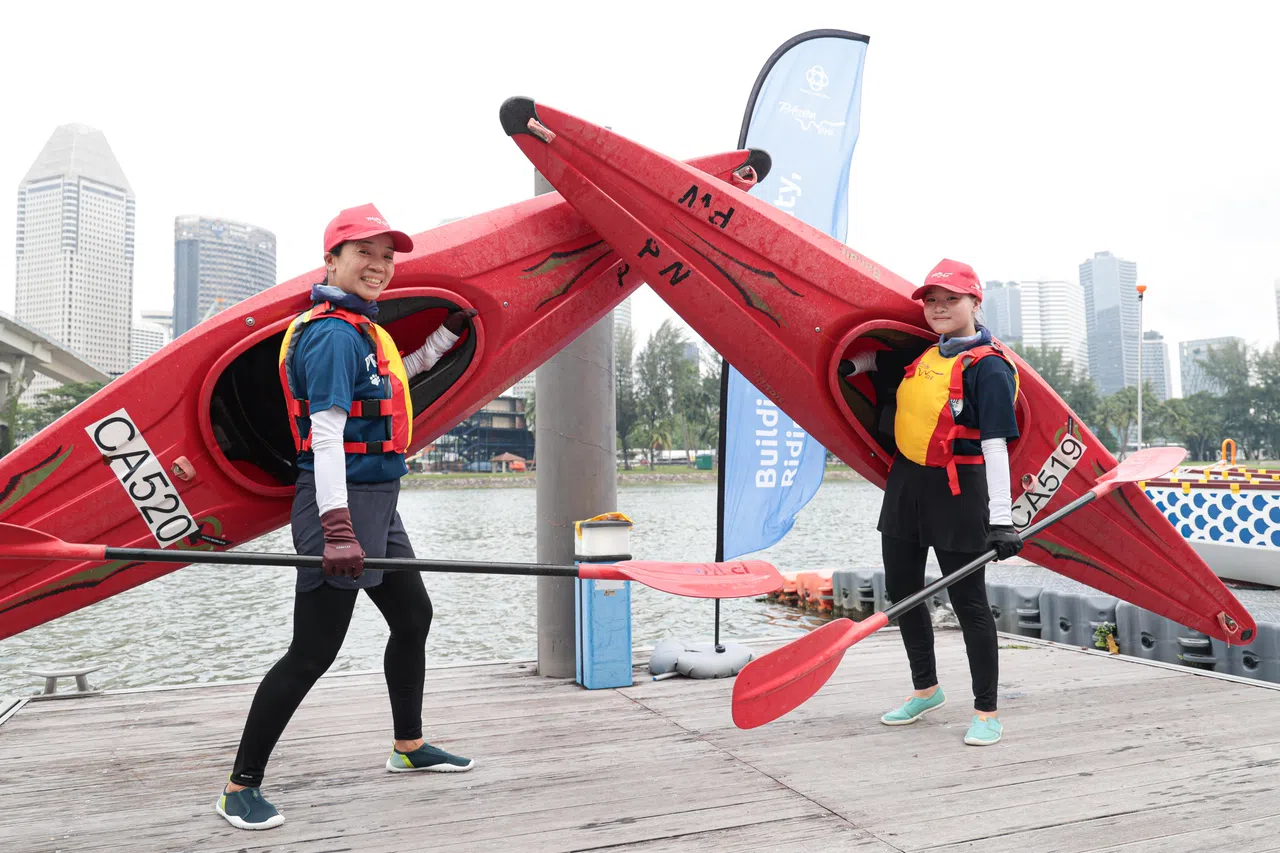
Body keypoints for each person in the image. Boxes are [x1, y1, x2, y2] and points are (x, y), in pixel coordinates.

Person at [216, 204, 479, 830]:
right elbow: (328, 435)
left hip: (376, 502)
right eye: (365, 252)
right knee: (312, 651)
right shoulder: (333, 332)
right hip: (340, 504)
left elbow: (391, 384)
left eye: (388, 256)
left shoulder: (360, 330)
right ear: (331, 260)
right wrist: (336, 529)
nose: (380, 265)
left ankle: (408, 748)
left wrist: (443, 341)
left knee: (412, 615)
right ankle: (238, 786)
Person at [840, 258, 1023, 747]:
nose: (940, 308)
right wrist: (848, 365)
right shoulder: (927, 356)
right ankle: (926, 689)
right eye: (932, 301)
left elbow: (995, 444)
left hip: (959, 492)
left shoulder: (990, 368)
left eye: (951, 300)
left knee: (970, 605)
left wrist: (1002, 520)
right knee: (902, 593)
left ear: (974, 303)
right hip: (906, 486)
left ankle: (987, 710)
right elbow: (880, 366)